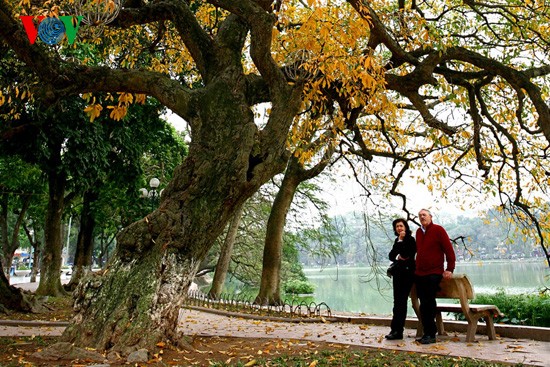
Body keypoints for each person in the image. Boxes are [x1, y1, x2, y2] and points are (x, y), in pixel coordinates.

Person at [414, 208, 456, 344]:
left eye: (424, 215)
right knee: (423, 304)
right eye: (420, 216)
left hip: (434, 273)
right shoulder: (419, 232)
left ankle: (430, 334)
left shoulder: (438, 230)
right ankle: (427, 333)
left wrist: (450, 268)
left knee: (428, 303)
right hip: (420, 273)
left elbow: (449, 250)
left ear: (431, 217)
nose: (422, 217)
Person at [385, 218, 416, 340]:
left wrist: (401, 244)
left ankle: (398, 331)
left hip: (407, 273)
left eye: (401, 226)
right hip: (398, 274)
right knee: (397, 302)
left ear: (406, 227)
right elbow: (392, 256)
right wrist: (398, 252)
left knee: (401, 302)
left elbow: (406, 254)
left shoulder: (410, 240)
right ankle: (394, 330)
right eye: (397, 226)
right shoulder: (397, 240)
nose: (399, 228)